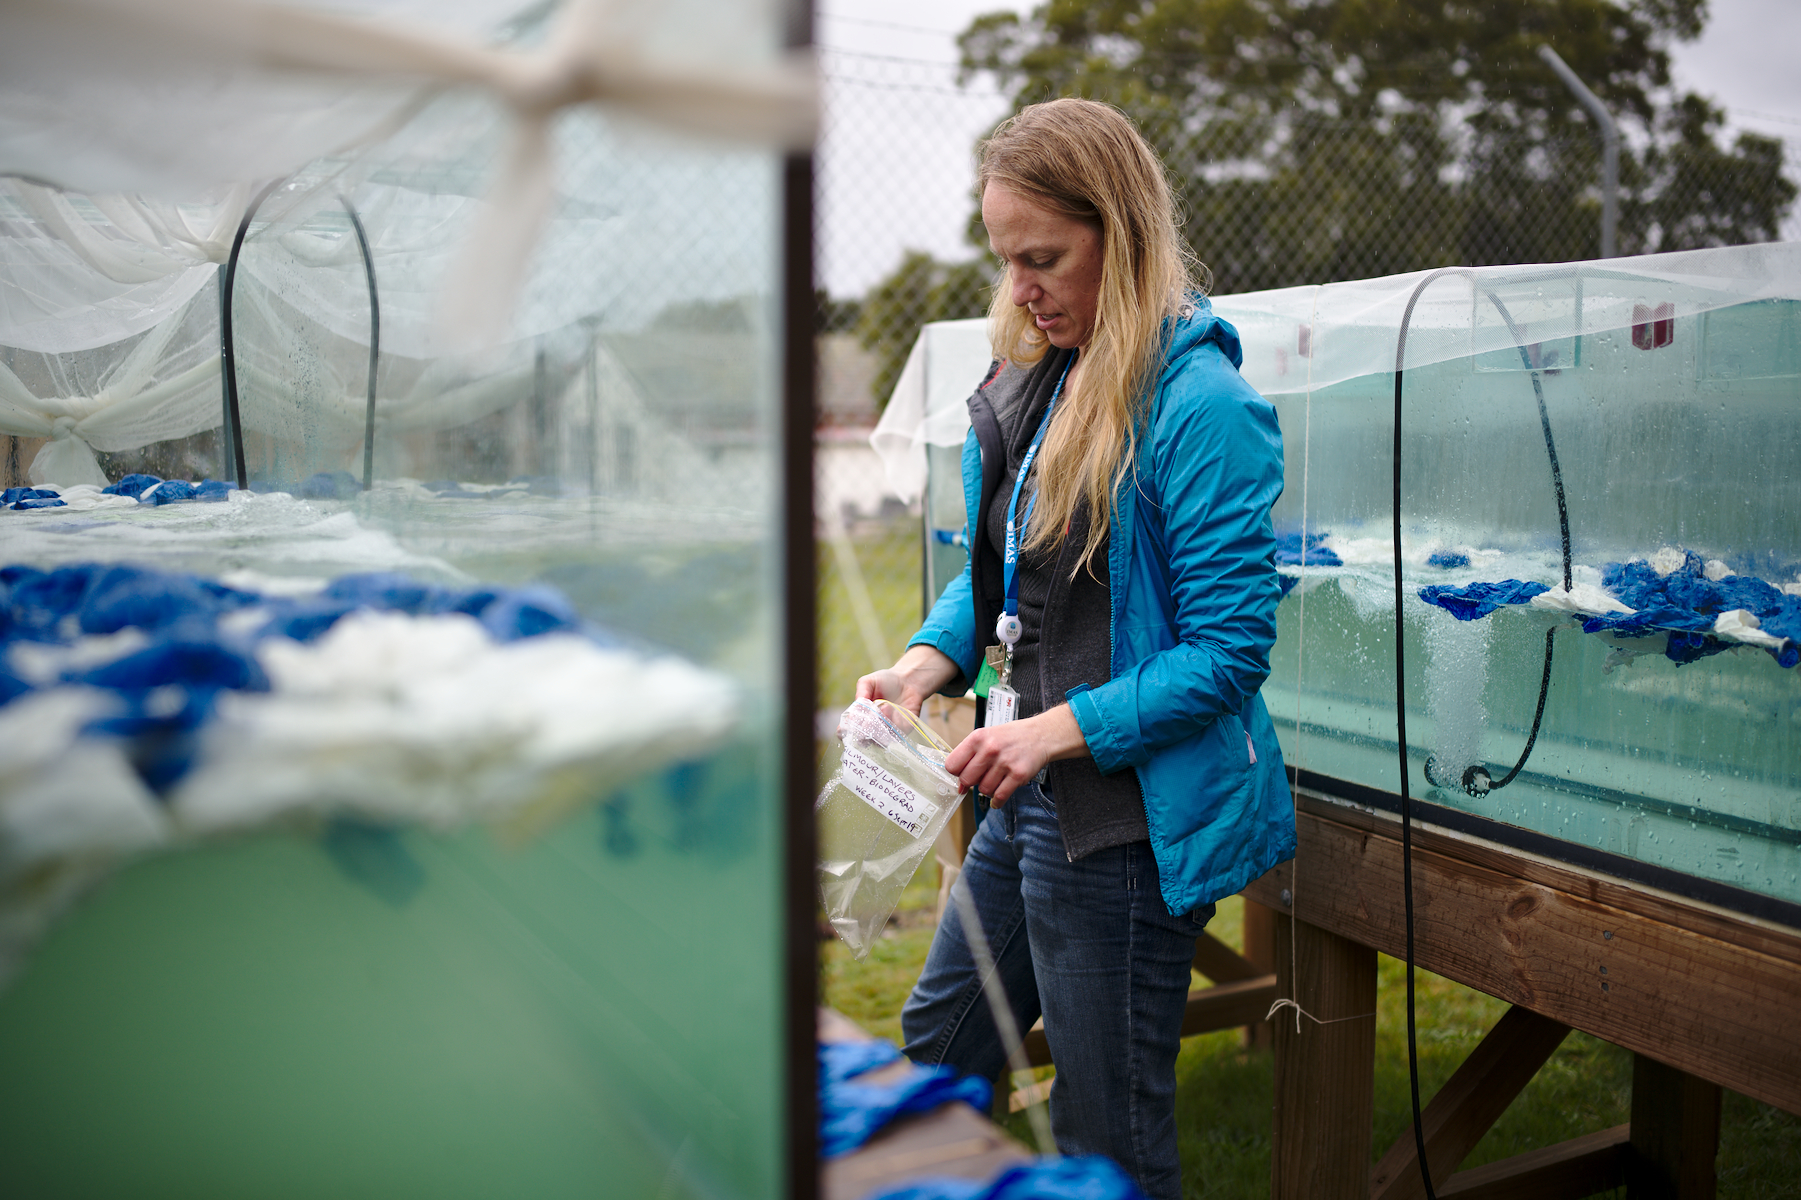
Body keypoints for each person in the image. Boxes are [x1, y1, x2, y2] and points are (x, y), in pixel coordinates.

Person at [854, 97, 1294, 1199]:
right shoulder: (1050, 374)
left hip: (1124, 825)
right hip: (1032, 794)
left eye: (1044, 258)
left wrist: (1051, 732)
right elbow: (1007, 576)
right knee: (942, 1042)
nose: (1020, 290)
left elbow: (1229, 652)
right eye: (1006, 261)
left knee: (1107, 1131)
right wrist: (922, 663)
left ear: (1124, 234)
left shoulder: (1203, 408)